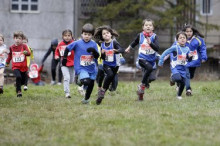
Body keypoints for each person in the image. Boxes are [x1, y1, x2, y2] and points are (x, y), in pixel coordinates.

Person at [63, 23, 99, 104]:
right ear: (82, 34)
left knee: (91, 85)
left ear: (92, 35)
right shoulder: (77, 43)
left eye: (89, 35)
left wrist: (93, 51)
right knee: (87, 81)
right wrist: (65, 58)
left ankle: (86, 99)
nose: (86, 36)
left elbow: (97, 56)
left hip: (92, 68)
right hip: (81, 67)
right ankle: (79, 80)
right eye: (85, 34)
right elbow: (67, 49)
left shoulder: (94, 44)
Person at [125, 18, 159, 101]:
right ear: (143, 27)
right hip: (142, 59)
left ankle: (141, 91)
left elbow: (157, 48)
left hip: (151, 60)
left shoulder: (154, 37)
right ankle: (142, 86)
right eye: (146, 25)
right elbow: (134, 42)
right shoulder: (140, 35)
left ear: (153, 28)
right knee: (149, 69)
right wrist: (129, 48)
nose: (148, 27)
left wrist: (151, 43)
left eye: (150, 25)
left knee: (151, 78)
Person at [94, 25, 124, 105]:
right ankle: (102, 91)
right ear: (102, 36)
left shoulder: (114, 42)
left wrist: (116, 51)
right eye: (104, 34)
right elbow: (103, 58)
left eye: (107, 33)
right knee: (109, 74)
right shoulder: (102, 45)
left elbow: (122, 50)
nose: (106, 34)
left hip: (115, 65)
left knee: (111, 80)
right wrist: (103, 54)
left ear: (111, 34)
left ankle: (102, 93)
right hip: (106, 64)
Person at [158, 31, 192, 100]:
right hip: (175, 67)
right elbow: (165, 52)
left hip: (183, 68)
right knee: (178, 78)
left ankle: (178, 95)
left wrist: (190, 57)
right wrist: (161, 61)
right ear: (177, 40)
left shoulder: (188, 49)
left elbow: (188, 60)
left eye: (184, 38)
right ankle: (172, 79)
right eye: (180, 38)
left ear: (186, 39)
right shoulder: (175, 47)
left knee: (183, 83)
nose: (182, 39)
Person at [182, 25, 207, 96]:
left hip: (194, 61)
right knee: (186, 74)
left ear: (193, 32)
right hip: (184, 61)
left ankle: (180, 82)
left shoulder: (198, 39)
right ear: (184, 32)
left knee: (191, 76)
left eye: (190, 31)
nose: (189, 33)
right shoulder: (181, 38)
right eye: (187, 31)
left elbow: (203, 48)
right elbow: (174, 48)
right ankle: (188, 90)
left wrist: (203, 57)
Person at [6, 31, 31, 97]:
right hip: (16, 67)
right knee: (18, 77)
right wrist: (7, 62)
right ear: (14, 38)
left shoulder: (24, 46)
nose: (17, 40)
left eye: (19, 38)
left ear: (22, 39)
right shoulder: (11, 47)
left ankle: (17, 84)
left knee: (22, 80)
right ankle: (19, 91)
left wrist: (26, 52)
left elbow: (29, 53)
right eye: (16, 38)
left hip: (23, 67)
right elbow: (9, 56)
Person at [55, 29, 74, 98]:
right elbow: (57, 51)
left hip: (72, 63)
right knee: (67, 78)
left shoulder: (74, 43)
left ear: (72, 36)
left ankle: (67, 83)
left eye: (69, 35)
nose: (67, 37)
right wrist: (56, 56)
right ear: (62, 36)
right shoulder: (60, 44)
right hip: (64, 63)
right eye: (65, 35)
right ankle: (67, 93)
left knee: (71, 80)